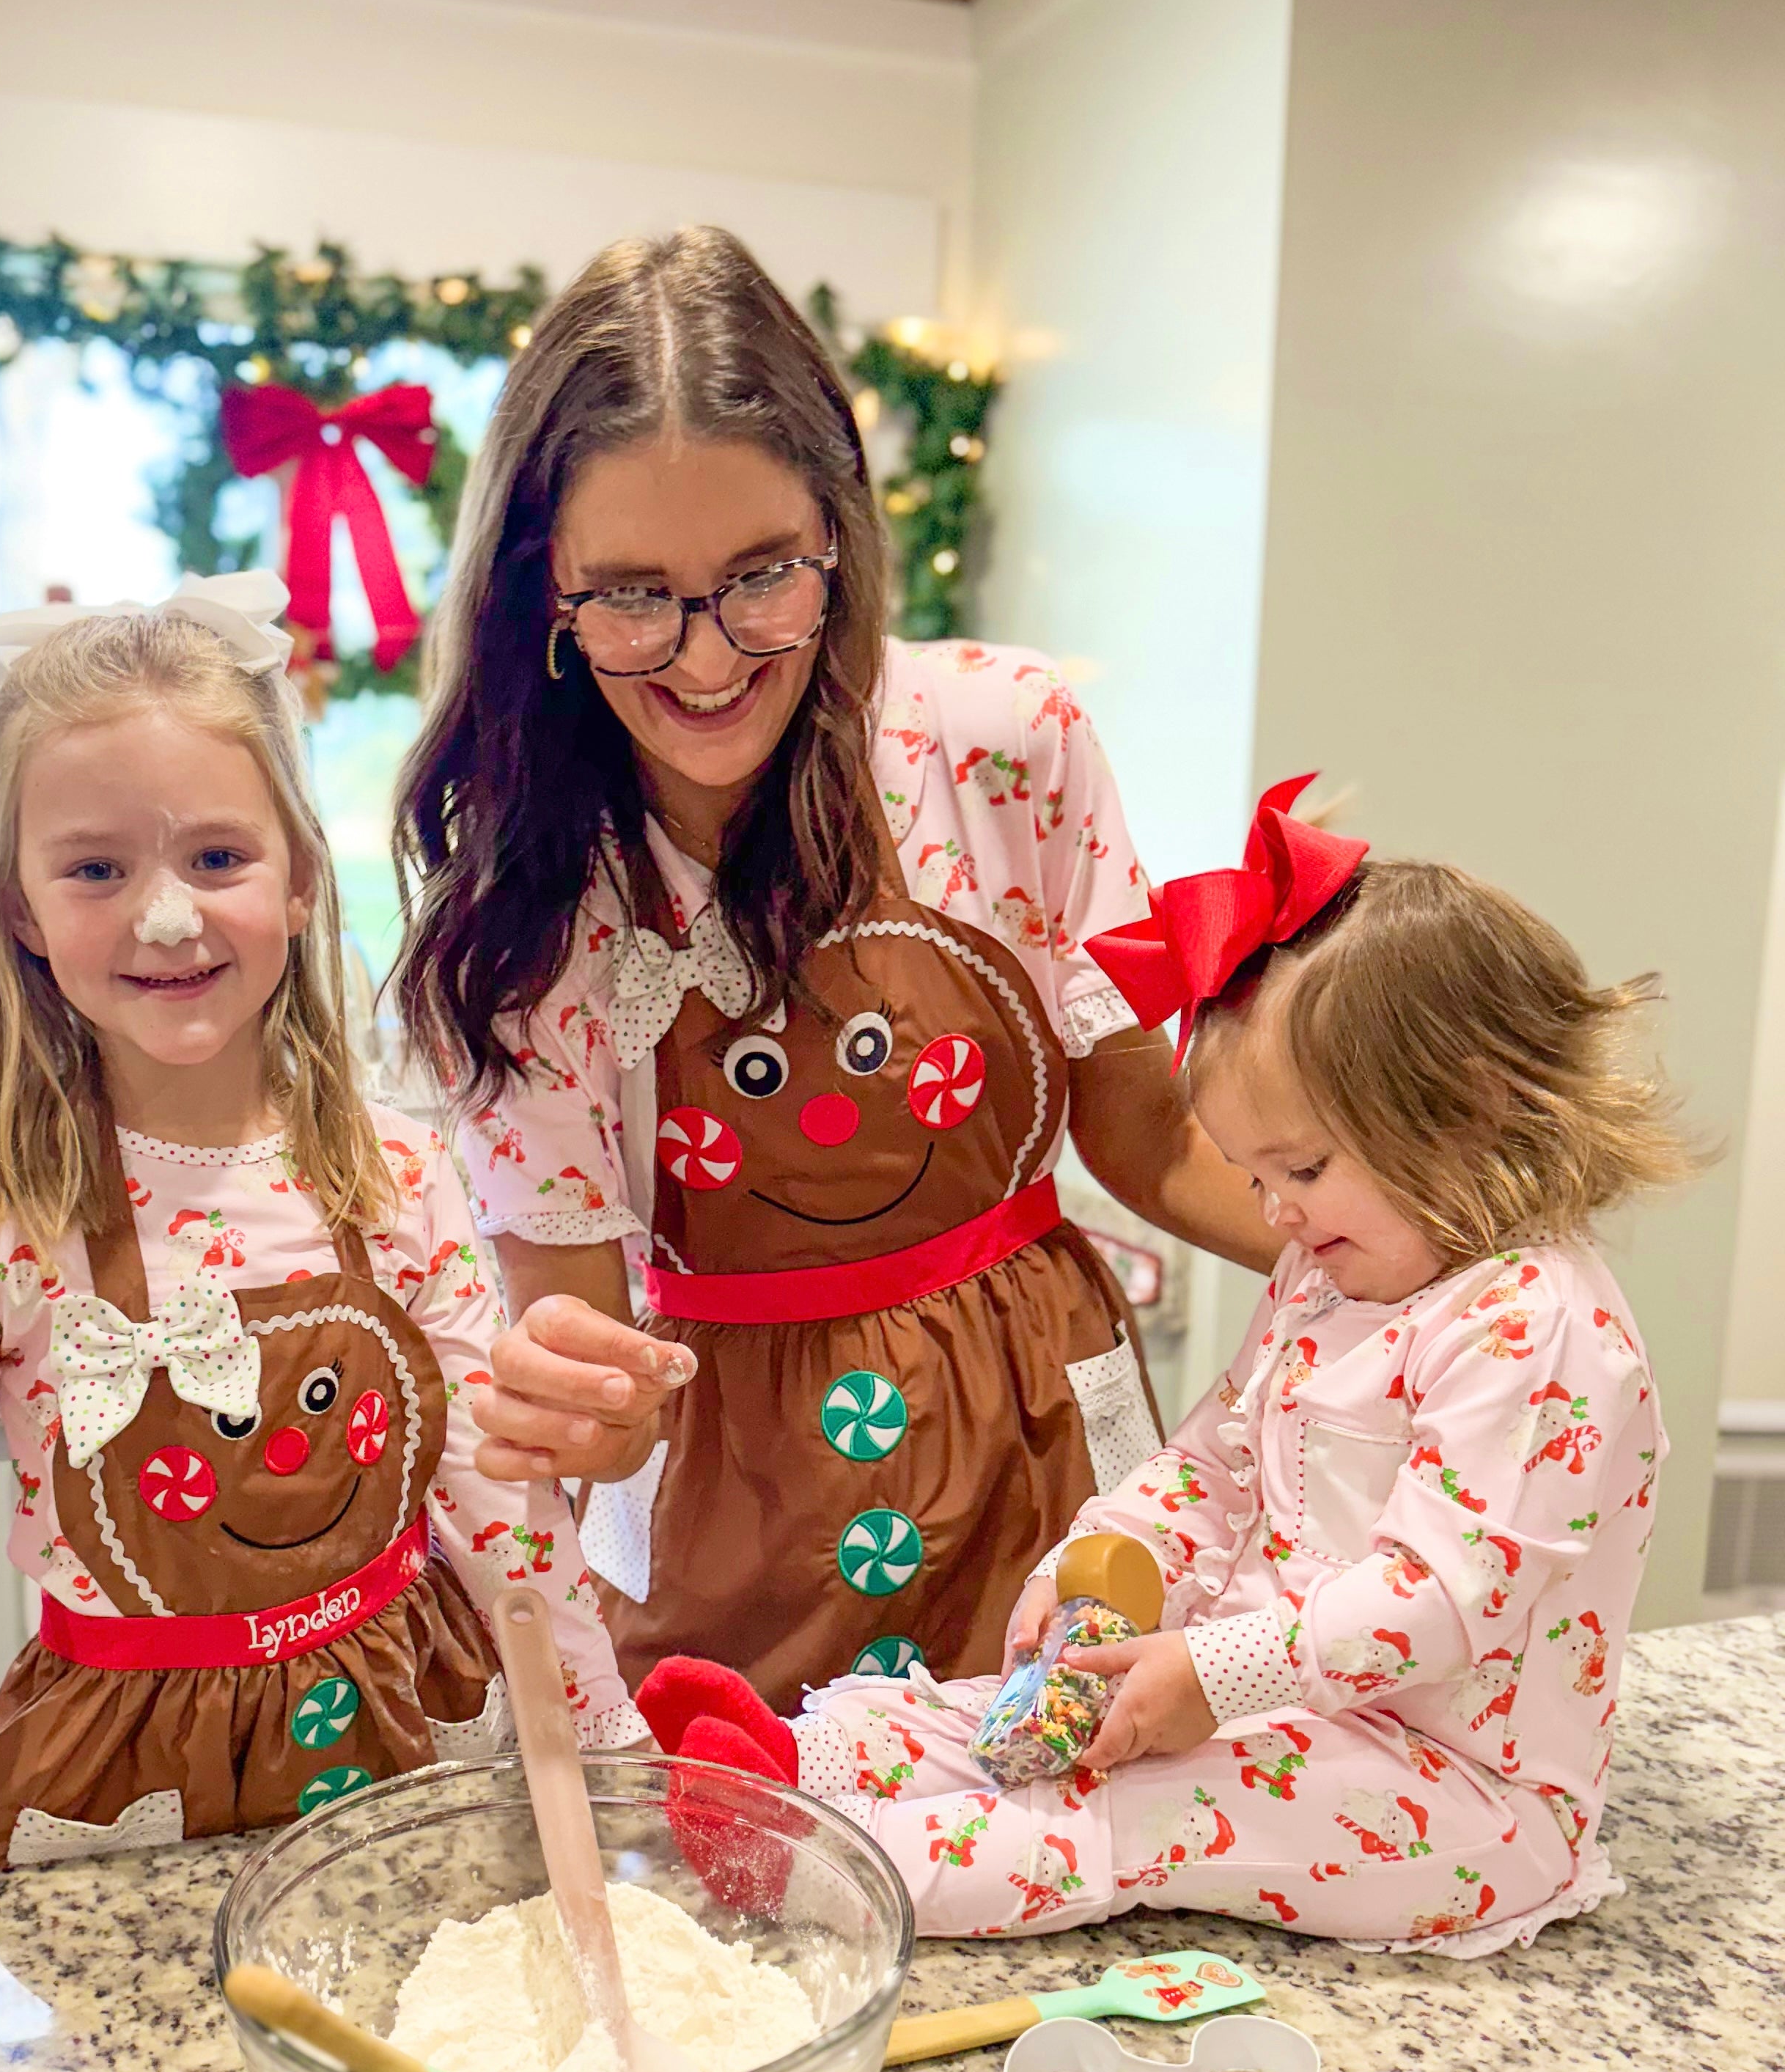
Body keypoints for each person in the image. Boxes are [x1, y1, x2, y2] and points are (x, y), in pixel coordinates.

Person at [0, 576, 638, 2040]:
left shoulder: (394, 1169)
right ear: (21, 912)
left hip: (407, 1733)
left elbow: (488, 1486)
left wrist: (595, 1735)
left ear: (295, 876)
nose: (166, 913)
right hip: (119, 1776)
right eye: (95, 870)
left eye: (216, 853)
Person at [393, 225, 1278, 1709]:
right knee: (754, 1878)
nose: (705, 658)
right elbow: (585, 1329)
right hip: (729, 1499)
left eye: (761, 577)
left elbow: (1140, 1125)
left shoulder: (1004, 741)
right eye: (630, 594)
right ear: (540, 588)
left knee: (1070, 1823)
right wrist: (582, 1409)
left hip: (1046, 1431)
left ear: (839, 532)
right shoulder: (525, 895)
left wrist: (1395, 1247)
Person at [642, 784, 1695, 1955]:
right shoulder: (1333, 1272)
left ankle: (831, 1868)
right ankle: (801, 1765)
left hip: (1457, 1797)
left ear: (1470, 1110)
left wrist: (1214, 1672)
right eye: (1256, 1178)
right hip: (1281, 1704)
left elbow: (1445, 1598)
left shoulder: (1541, 1332)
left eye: (1299, 1168)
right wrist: (1124, 1545)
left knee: (1150, 1807)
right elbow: (1219, 1453)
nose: (1273, 1213)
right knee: (1030, 1712)